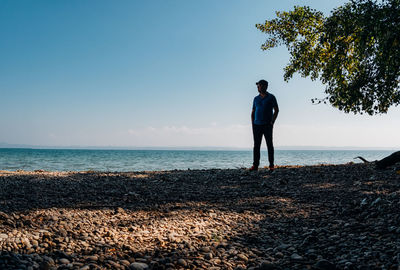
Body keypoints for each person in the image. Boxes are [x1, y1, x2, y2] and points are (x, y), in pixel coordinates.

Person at [249, 79, 279, 171]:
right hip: (256, 125)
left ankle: (271, 165)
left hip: (267, 125)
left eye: (260, 86)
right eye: (258, 86)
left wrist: (272, 122)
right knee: (256, 145)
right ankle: (255, 165)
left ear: (265, 86)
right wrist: (252, 123)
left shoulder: (271, 97)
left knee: (269, 145)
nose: (258, 87)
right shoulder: (255, 99)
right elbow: (253, 112)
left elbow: (276, 110)